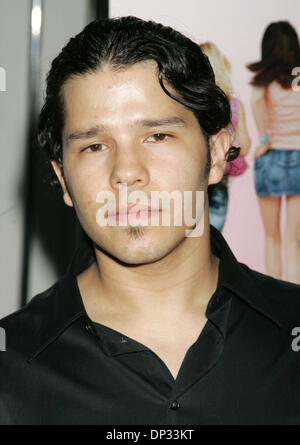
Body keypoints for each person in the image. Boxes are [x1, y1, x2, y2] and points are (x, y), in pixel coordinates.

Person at [1, 17, 300, 425]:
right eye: (94, 145)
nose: (126, 171)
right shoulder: (11, 365)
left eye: (157, 136)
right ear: (63, 179)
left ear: (216, 153)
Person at [248, 21, 300, 284]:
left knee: (272, 237)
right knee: (294, 240)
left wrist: (265, 138)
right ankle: (295, 303)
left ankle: (275, 302)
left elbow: (256, 101)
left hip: (271, 158)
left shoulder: (264, 78)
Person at [200, 42, 251, 231]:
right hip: (221, 176)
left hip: (194, 174)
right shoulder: (235, 105)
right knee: (214, 234)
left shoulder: (194, 103)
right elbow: (244, 145)